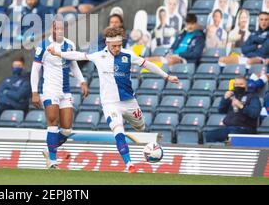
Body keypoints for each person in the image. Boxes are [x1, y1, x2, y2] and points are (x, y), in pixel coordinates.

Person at [47, 26, 179, 173]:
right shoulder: (98, 56)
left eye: (119, 45)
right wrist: (57, 53)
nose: (117, 48)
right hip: (110, 104)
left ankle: (138, 147)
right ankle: (129, 164)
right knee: (118, 130)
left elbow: (147, 64)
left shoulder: (128, 55)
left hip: (129, 102)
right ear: (107, 43)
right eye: (114, 46)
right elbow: (77, 55)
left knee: (141, 127)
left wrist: (167, 76)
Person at [31, 18, 89, 169]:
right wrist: (34, 92)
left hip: (65, 90)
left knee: (67, 129)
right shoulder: (43, 45)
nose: (60, 31)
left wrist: (82, 82)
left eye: (62, 29)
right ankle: (52, 161)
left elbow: (74, 65)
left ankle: (49, 148)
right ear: (52, 29)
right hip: (49, 89)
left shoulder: (69, 45)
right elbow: (35, 70)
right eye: (57, 28)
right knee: (52, 121)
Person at [205, 77, 261, 142]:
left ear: (246, 85)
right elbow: (221, 110)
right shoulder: (232, 95)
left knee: (232, 134)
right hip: (229, 128)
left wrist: (241, 106)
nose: (238, 86)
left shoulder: (253, 97)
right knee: (209, 135)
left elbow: (254, 113)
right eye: (236, 84)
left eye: (241, 84)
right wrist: (225, 99)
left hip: (245, 128)